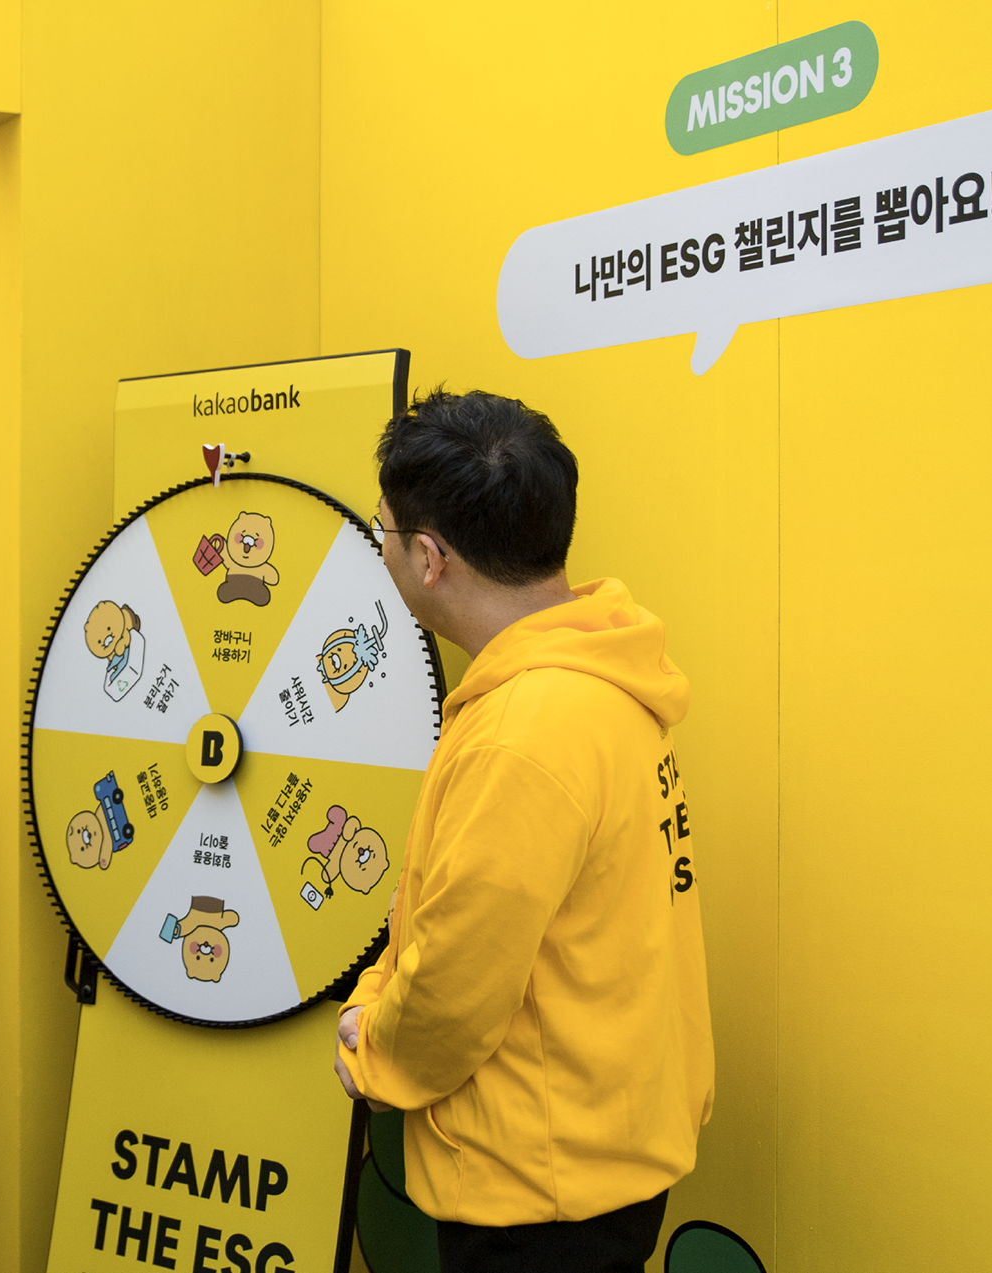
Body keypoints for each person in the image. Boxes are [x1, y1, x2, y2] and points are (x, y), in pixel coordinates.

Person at [333, 391, 714, 1273]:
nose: (382, 549)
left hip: (538, 1190)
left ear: (430, 558)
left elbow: (460, 977)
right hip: (603, 1144)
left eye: (383, 531)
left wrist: (375, 1053)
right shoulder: (604, 673)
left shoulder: (522, 731)